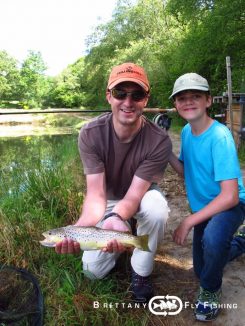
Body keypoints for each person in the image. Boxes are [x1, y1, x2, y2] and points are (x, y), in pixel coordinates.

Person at [55, 62, 172, 303]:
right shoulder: (91, 133)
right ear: (109, 96)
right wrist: (76, 232)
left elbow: (133, 196)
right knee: (92, 271)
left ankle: (141, 270)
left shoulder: (159, 141)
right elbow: (96, 195)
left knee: (157, 211)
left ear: (146, 100)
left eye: (137, 95)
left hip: (140, 196)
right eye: (120, 93)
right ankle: (122, 234)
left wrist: (116, 217)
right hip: (106, 200)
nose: (128, 103)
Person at [168, 72, 245, 321]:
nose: (188, 102)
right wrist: (166, 151)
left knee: (212, 241)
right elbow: (184, 172)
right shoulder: (188, 133)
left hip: (230, 204)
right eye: (182, 98)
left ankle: (210, 292)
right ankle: (239, 242)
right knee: (202, 269)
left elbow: (230, 196)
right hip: (205, 207)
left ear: (208, 101)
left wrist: (189, 220)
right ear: (176, 105)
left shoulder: (219, 137)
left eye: (195, 96)